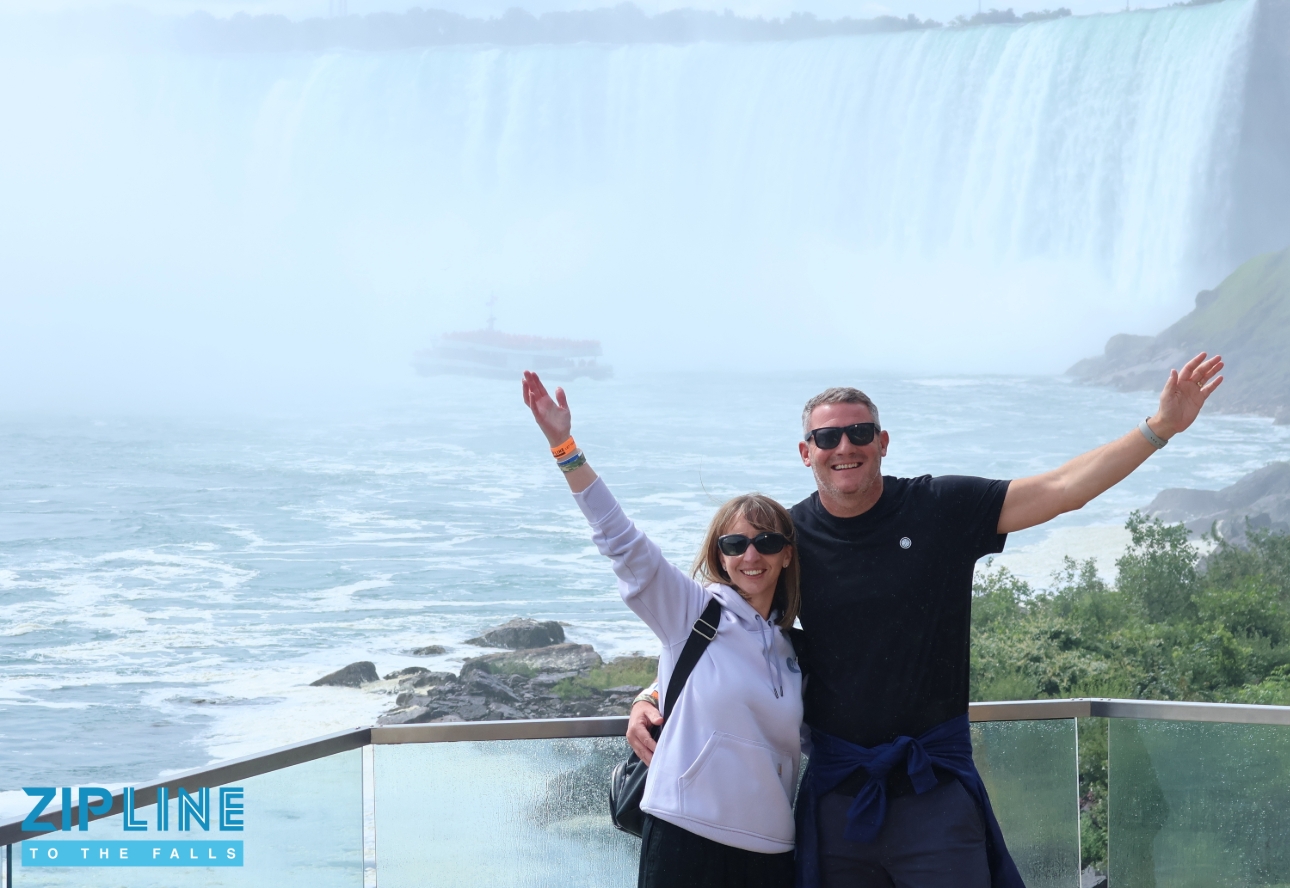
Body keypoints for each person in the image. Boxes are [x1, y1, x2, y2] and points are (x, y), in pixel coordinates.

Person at [628, 353, 1225, 888]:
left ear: (883, 441)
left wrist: (1159, 428)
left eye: (859, 432)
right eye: (827, 436)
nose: (845, 446)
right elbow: (734, 625)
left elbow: (1064, 489)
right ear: (806, 452)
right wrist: (653, 692)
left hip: (934, 788)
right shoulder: (790, 537)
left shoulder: (940, 507)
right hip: (839, 795)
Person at [522, 370, 806, 888]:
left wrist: (648, 691)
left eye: (766, 542)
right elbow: (621, 540)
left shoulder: (795, 652)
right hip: (683, 833)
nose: (750, 555)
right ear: (719, 555)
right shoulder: (692, 612)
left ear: (787, 554)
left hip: (772, 849)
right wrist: (565, 446)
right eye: (734, 544)